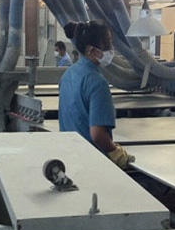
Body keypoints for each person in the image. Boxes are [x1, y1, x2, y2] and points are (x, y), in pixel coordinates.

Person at [58, 20, 135, 169]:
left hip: (69, 157)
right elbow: (97, 134)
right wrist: (115, 151)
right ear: (91, 50)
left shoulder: (68, 75)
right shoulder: (97, 83)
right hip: (92, 163)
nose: (111, 49)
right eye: (107, 44)